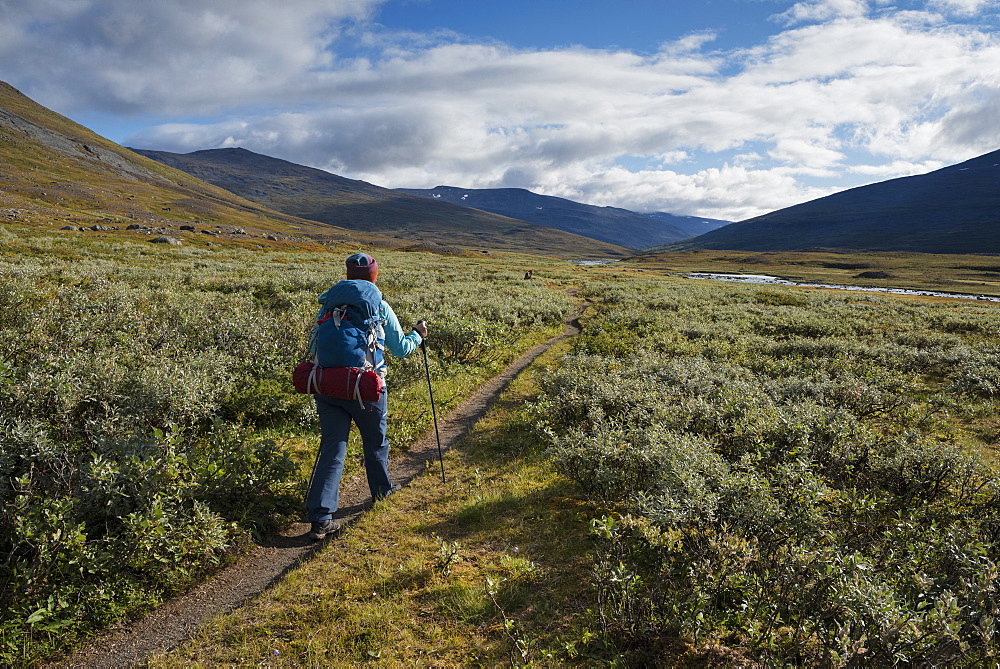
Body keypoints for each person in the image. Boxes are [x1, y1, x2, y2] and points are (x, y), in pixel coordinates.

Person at [306, 253, 428, 541]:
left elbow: (314, 345)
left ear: (347, 274)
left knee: (333, 448)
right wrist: (418, 336)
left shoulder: (328, 303)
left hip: (327, 386)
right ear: (375, 275)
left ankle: (321, 519)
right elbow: (401, 349)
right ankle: (382, 493)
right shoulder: (380, 306)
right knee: (376, 443)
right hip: (366, 388)